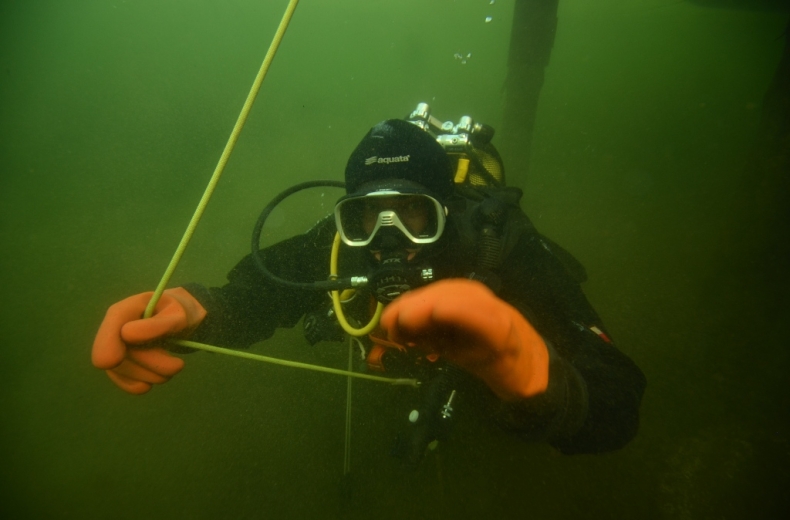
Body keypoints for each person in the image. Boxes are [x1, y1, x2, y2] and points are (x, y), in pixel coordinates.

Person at [92, 111, 646, 463]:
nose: (388, 237)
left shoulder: (497, 244)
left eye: (413, 212)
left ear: (446, 210)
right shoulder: (343, 242)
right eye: (368, 215)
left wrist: (535, 373)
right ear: (350, 215)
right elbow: (261, 296)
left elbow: (618, 400)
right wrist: (201, 312)